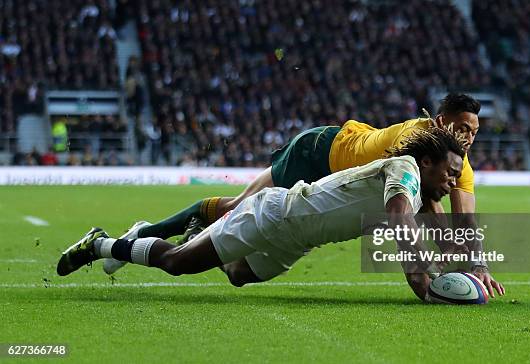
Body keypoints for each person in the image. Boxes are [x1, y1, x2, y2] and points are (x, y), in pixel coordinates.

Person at [102, 93, 503, 296]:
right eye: (461, 128)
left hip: (301, 233)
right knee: (230, 211)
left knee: (240, 275)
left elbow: (461, 220)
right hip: (321, 154)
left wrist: (474, 265)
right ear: (438, 124)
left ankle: (195, 239)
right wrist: (428, 278)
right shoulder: (415, 148)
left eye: (473, 132)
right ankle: (124, 240)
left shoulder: (451, 163)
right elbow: (418, 210)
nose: (467, 138)